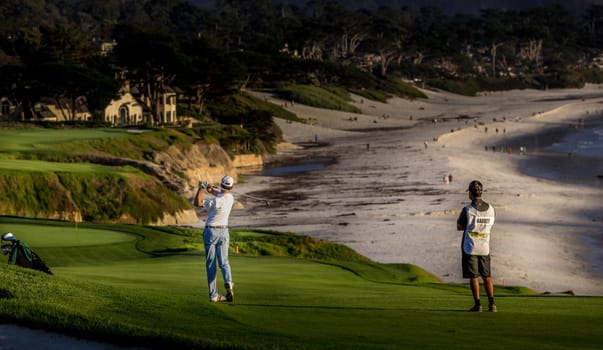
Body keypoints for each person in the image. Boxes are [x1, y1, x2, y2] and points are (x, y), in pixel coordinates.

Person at [193, 176, 235, 303]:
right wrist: (210, 190)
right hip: (224, 231)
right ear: (231, 187)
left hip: (211, 231)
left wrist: (200, 189)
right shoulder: (231, 198)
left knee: (211, 264)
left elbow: (198, 203)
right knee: (224, 262)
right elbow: (221, 194)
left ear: (221, 184)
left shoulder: (215, 202)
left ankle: (213, 295)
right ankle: (229, 282)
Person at [456, 180, 497, 312]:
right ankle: (492, 304)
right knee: (487, 276)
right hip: (485, 246)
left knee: (473, 276)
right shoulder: (491, 208)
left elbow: (459, 226)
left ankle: (478, 304)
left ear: (470, 193)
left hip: (470, 246)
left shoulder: (467, 209)